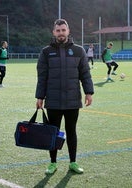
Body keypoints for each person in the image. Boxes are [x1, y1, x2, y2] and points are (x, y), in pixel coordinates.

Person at [35, 19, 94, 175]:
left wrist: (89, 92)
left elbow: (85, 74)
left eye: (63, 30)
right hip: (53, 100)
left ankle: (73, 162)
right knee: (52, 133)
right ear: (54, 32)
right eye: (58, 30)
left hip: (73, 100)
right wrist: (39, 97)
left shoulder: (79, 51)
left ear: (68, 31)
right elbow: (42, 76)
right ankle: (53, 163)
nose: (61, 33)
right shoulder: (46, 52)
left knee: (71, 131)